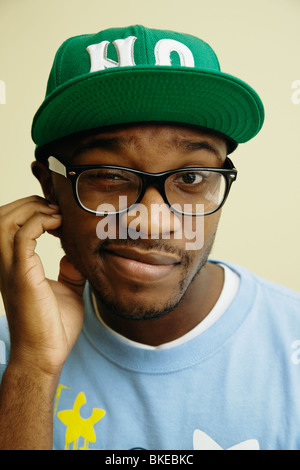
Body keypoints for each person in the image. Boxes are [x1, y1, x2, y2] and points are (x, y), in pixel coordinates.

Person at [0, 24, 299, 451]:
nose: (152, 221)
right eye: (109, 175)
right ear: (50, 186)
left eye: (192, 177)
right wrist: (31, 369)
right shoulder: (13, 355)